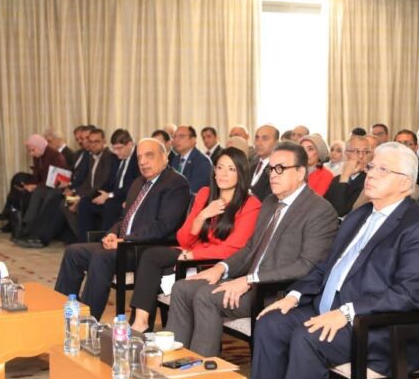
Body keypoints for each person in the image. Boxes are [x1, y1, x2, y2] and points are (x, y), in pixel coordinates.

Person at [250, 142, 419, 379]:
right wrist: (294, 295)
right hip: (330, 308)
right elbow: (326, 266)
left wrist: (347, 313)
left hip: (380, 326)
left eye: (383, 169)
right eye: (371, 167)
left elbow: (409, 295)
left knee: (307, 338)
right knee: (270, 324)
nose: (370, 174)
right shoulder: (358, 215)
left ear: (405, 183)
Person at [165, 142, 339, 357]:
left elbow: (306, 265)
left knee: (206, 296)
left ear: (301, 172)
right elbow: (250, 248)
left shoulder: (319, 210)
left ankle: (201, 369)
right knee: (182, 288)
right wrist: (221, 268)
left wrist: (250, 280)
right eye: (270, 169)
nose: (272, 175)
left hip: (276, 291)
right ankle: (175, 361)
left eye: (280, 169)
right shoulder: (270, 202)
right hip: (249, 281)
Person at [128, 147, 261, 332]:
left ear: (241, 174)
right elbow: (183, 239)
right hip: (190, 254)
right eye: (220, 167)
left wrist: (193, 255)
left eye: (231, 169)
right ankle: (140, 323)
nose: (223, 174)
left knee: (155, 270)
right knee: (150, 256)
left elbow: (233, 249)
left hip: (216, 263)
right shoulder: (205, 194)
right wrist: (202, 215)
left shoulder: (250, 204)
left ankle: (145, 328)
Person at [55, 138, 191, 319]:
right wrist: (112, 233)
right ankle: (60, 313)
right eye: (139, 157)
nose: (143, 162)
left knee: (102, 257)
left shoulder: (176, 183)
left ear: (165, 157)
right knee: (73, 252)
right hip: (125, 244)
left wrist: (124, 240)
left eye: (149, 156)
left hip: (147, 249)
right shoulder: (138, 183)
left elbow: (164, 226)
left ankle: (87, 320)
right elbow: (124, 218)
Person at [0, 132, 69, 234]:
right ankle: (10, 216)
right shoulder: (38, 155)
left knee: (36, 191)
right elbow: (37, 174)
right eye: (29, 151)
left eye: (33, 150)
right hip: (41, 182)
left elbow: (56, 180)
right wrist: (29, 185)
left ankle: (26, 225)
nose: (31, 154)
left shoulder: (56, 156)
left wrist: (35, 186)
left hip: (52, 186)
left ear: (40, 146)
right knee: (19, 178)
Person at [77, 128, 140, 239]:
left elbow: (133, 186)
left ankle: (106, 241)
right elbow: (110, 181)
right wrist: (101, 194)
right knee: (85, 202)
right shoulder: (116, 158)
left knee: (110, 205)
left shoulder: (138, 158)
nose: (116, 152)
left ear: (130, 144)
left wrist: (109, 195)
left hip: (127, 197)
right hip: (114, 194)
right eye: (114, 148)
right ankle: (85, 241)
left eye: (119, 148)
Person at [325, 135, 372, 217]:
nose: (361, 156)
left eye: (365, 152)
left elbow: (341, 211)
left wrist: (345, 175)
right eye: (356, 151)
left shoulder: (370, 180)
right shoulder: (336, 179)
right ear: (346, 153)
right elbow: (325, 207)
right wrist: (345, 175)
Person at [170, 125, 212, 194]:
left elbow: (194, 190)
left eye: (181, 136)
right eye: (174, 137)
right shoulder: (175, 160)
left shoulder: (202, 161)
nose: (176, 140)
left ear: (193, 140)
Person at [250, 124, 279, 200]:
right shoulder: (251, 165)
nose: (258, 143)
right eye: (257, 138)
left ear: (276, 143)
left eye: (265, 138)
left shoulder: (278, 168)